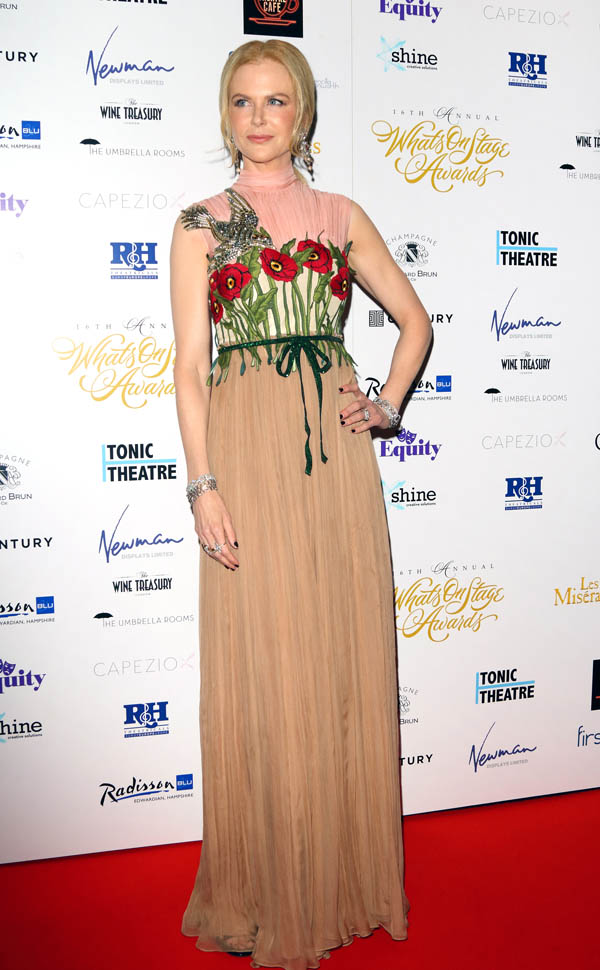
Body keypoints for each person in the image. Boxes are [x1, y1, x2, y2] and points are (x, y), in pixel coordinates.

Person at [170, 38, 432, 970]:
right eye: (243, 101)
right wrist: (202, 485)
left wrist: (387, 403)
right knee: (267, 659)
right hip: (246, 454)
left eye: (277, 101)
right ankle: (268, 887)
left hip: (333, 458)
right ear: (225, 112)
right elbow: (190, 369)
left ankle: (343, 879)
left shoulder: (339, 215)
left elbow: (415, 322)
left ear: (304, 113)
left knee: (334, 654)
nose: (259, 117)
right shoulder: (202, 223)